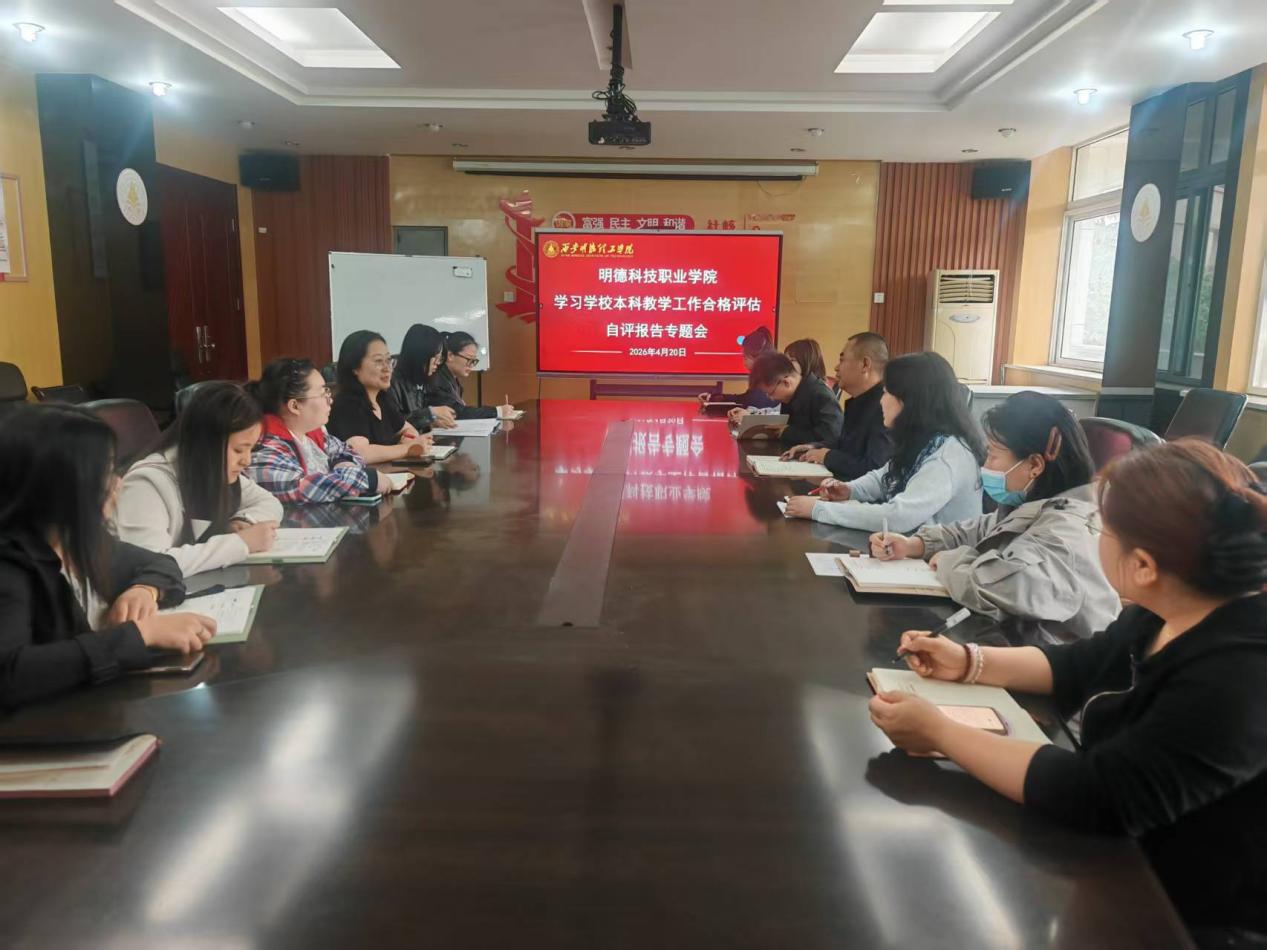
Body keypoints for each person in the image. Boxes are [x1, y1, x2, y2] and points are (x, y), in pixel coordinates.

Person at [869, 440, 1267, 942]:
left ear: (1143, 565)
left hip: (1189, 916)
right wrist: (968, 662)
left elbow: (1099, 795)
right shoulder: (1170, 606)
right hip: (1124, 867)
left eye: (1104, 529)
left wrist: (940, 733)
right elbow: (1079, 664)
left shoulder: (1239, 675)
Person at [0, 405, 217, 709]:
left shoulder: (77, 539)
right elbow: (10, 674)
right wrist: (140, 634)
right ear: (61, 484)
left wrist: (145, 589)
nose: (118, 483)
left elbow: (160, 562)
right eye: (105, 472)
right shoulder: (10, 564)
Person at [868, 391, 1119, 645]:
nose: (985, 465)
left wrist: (948, 561)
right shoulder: (1034, 505)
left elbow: (998, 586)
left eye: (993, 455)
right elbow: (983, 529)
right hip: (1017, 647)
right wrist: (916, 544)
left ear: (1034, 465)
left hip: (1054, 662)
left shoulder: (1068, 532)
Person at [784, 351, 983, 531]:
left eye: (887, 393)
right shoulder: (924, 440)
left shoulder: (947, 456)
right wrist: (849, 490)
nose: (881, 401)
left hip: (939, 557)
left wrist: (819, 510)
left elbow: (898, 517)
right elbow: (885, 476)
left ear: (910, 401)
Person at [115, 382, 282, 577]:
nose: (247, 461)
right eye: (238, 450)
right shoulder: (146, 483)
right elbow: (149, 564)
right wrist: (240, 543)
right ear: (207, 444)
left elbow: (269, 502)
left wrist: (243, 520)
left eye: (251, 449)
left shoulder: (211, 471)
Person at [245, 357, 394, 505]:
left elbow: (348, 452)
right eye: (323, 393)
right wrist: (367, 479)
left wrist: (342, 464)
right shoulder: (265, 445)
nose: (330, 400)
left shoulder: (311, 433)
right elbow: (298, 487)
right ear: (295, 406)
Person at [781, 332, 893, 481]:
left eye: (842, 360)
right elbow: (844, 445)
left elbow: (875, 468)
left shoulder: (888, 406)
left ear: (865, 364)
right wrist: (813, 447)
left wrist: (827, 456)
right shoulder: (858, 401)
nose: (836, 367)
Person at [327, 330, 435, 464]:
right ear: (354, 367)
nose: (387, 368)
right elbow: (360, 453)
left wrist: (408, 438)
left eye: (388, 360)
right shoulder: (347, 405)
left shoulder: (382, 399)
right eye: (378, 361)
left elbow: (407, 428)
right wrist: (407, 448)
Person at [739, 351, 843, 448]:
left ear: (786, 383)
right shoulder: (792, 396)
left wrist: (788, 432)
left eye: (771, 393)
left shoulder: (821, 395)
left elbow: (831, 439)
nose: (771, 398)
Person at [427, 331, 514, 420]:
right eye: (469, 360)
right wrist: (497, 411)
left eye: (474, 361)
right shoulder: (437, 379)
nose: (471, 366)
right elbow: (456, 412)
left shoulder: (451, 378)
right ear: (450, 356)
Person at [389, 324, 458, 431]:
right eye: (435, 357)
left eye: (440, 359)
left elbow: (412, 419)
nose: (437, 363)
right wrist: (430, 413)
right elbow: (392, 424)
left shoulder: (419, 382)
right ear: (420, 355)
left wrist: (430, 422)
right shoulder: (391, 382)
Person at [702, 325, 781, 411]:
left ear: (757, 358)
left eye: (745, 357)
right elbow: (745, 398)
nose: (744, 362)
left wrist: (716, 400)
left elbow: (749, 401)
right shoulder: (766, 376)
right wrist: (715, 398)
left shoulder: (765, 382)